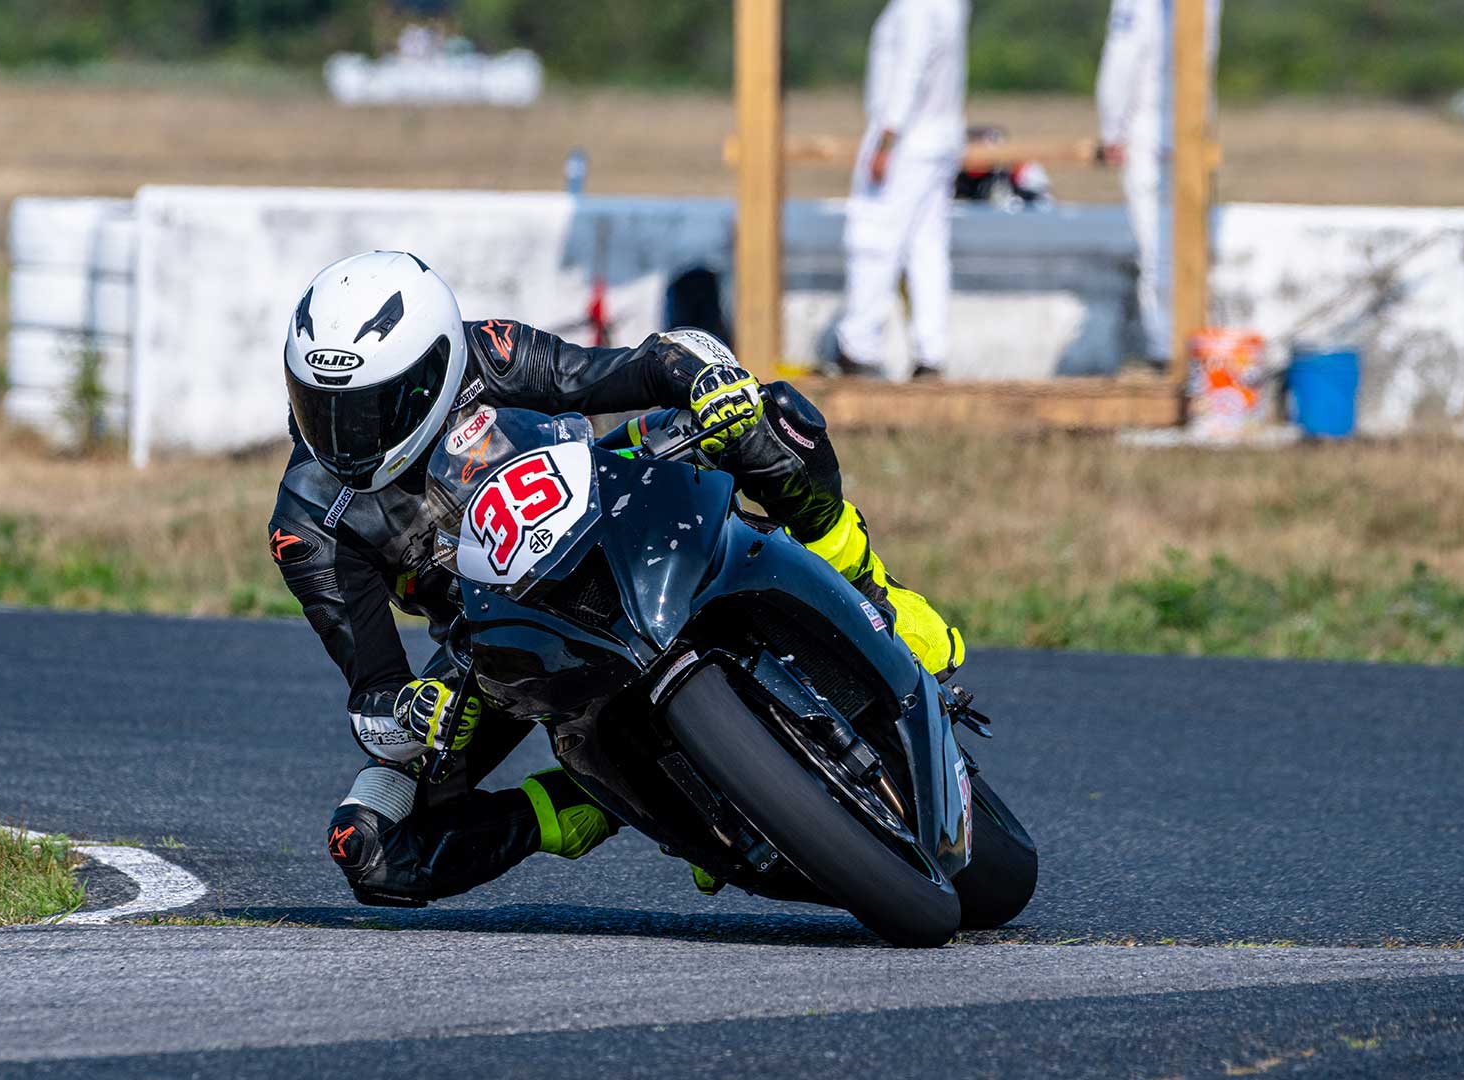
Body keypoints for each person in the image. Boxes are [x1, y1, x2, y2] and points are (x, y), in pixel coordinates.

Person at [270, 250, 967, 907]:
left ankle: (871, 590)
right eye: (318, 406)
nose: (341, 437)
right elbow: (372, 690)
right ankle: (603, 799)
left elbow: (637, 367)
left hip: (606, 501)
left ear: (436, 370)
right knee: (370, 847)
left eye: (367, 408)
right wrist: (411, 714)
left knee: (766, 418)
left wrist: (707, 380)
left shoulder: (489, 354)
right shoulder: (307, 525)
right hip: (494, 644)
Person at [833, 0, 970, 381]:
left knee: (873, 239)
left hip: (906, 142)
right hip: (938, 136)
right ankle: (931, 353)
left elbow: (911, 67)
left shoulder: (916, 6)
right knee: (927, 248)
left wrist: (886, 139)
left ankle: (859, 348)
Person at [1096, 0, 1220, 365]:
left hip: (1147, 137)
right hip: (1190, 134)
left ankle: (1167, 352)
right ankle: (1187, 348)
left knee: (1157, 253)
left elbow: (1121, 62)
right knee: (1188, 249)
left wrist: (1111, 129)